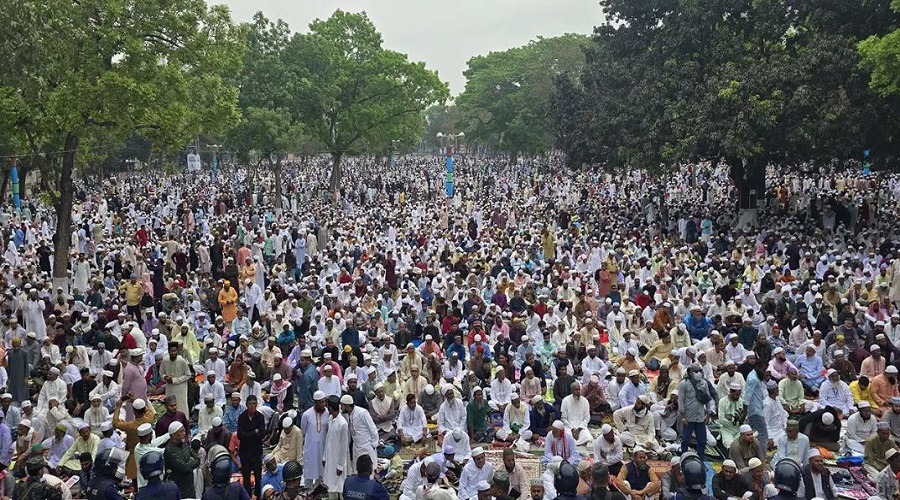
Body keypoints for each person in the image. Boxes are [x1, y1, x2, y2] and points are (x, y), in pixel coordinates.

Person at [341, 394, 379, 475]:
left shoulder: (362, 413)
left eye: (342, 406)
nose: (341, 408)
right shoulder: (347, 415)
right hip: (356, 448)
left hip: (366, 446)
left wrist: (373, 445)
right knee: (358, 471)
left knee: (369, 472)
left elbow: (373, 429)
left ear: (346, 405)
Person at [237, 395, 266, 498]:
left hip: (256, 452)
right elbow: (240, 436)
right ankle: (247, 496)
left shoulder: (260, 417)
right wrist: (254, 432)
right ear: (246, 405)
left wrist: (247, 434)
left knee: (258, 477)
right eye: (250, 404)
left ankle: (258, 495)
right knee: (246, 477)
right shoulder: (242, 417)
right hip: (245, 452)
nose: (252, 406)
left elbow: (262, 434)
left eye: (254, 404)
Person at [163, 421, 198, 499]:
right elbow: (184, 468)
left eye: (184, 430)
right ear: (173, 435)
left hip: (190, 486)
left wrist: (189, 464)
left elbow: (197, 459)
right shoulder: (169, 450)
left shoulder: (185, 444)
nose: (184, 433)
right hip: (178, 488)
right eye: (181, 431)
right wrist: (191, 461)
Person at [323, 395, 350, 497]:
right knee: (330, 486)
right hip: (330, 458)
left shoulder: (343, 423)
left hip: (339, 460)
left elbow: (344, 447)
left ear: (330, 408)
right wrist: (324, 457)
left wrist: (340, 466)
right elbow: (328, 440)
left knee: (340, 487)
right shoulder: (330, 419)